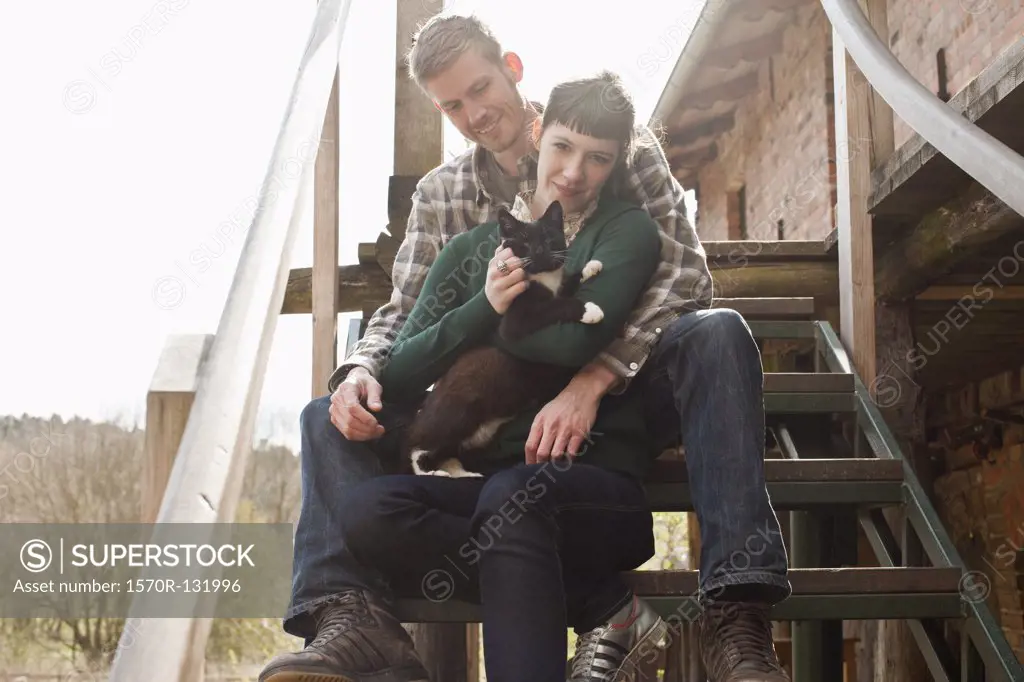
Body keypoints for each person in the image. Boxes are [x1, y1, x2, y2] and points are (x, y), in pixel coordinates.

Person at [260, 13, 791, 682]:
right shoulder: (443, 196)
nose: (475, 114)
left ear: (512, 66)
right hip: (496, 418)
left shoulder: (619, 149)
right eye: (452, 105)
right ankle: (352, 618)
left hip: (626, 389)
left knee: (717, 332)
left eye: (481, 88)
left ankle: (735, 610)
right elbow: (403, 313)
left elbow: (685, 276)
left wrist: (592, 379)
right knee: (325, 417)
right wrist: (363, 367)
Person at [327, 71, 668, 682]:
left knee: (511, 500)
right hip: (487, 478)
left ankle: (595, 607)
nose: (571, 173)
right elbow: (402, 369)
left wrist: (510, 327)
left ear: (615, 164)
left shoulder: (620, 231)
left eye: (597, 159)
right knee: (367, 511)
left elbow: (573, 342)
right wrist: (485, 304)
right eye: (562, 150)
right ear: (537, 142)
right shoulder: (466, 252)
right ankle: (600, 602)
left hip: (577, 479)